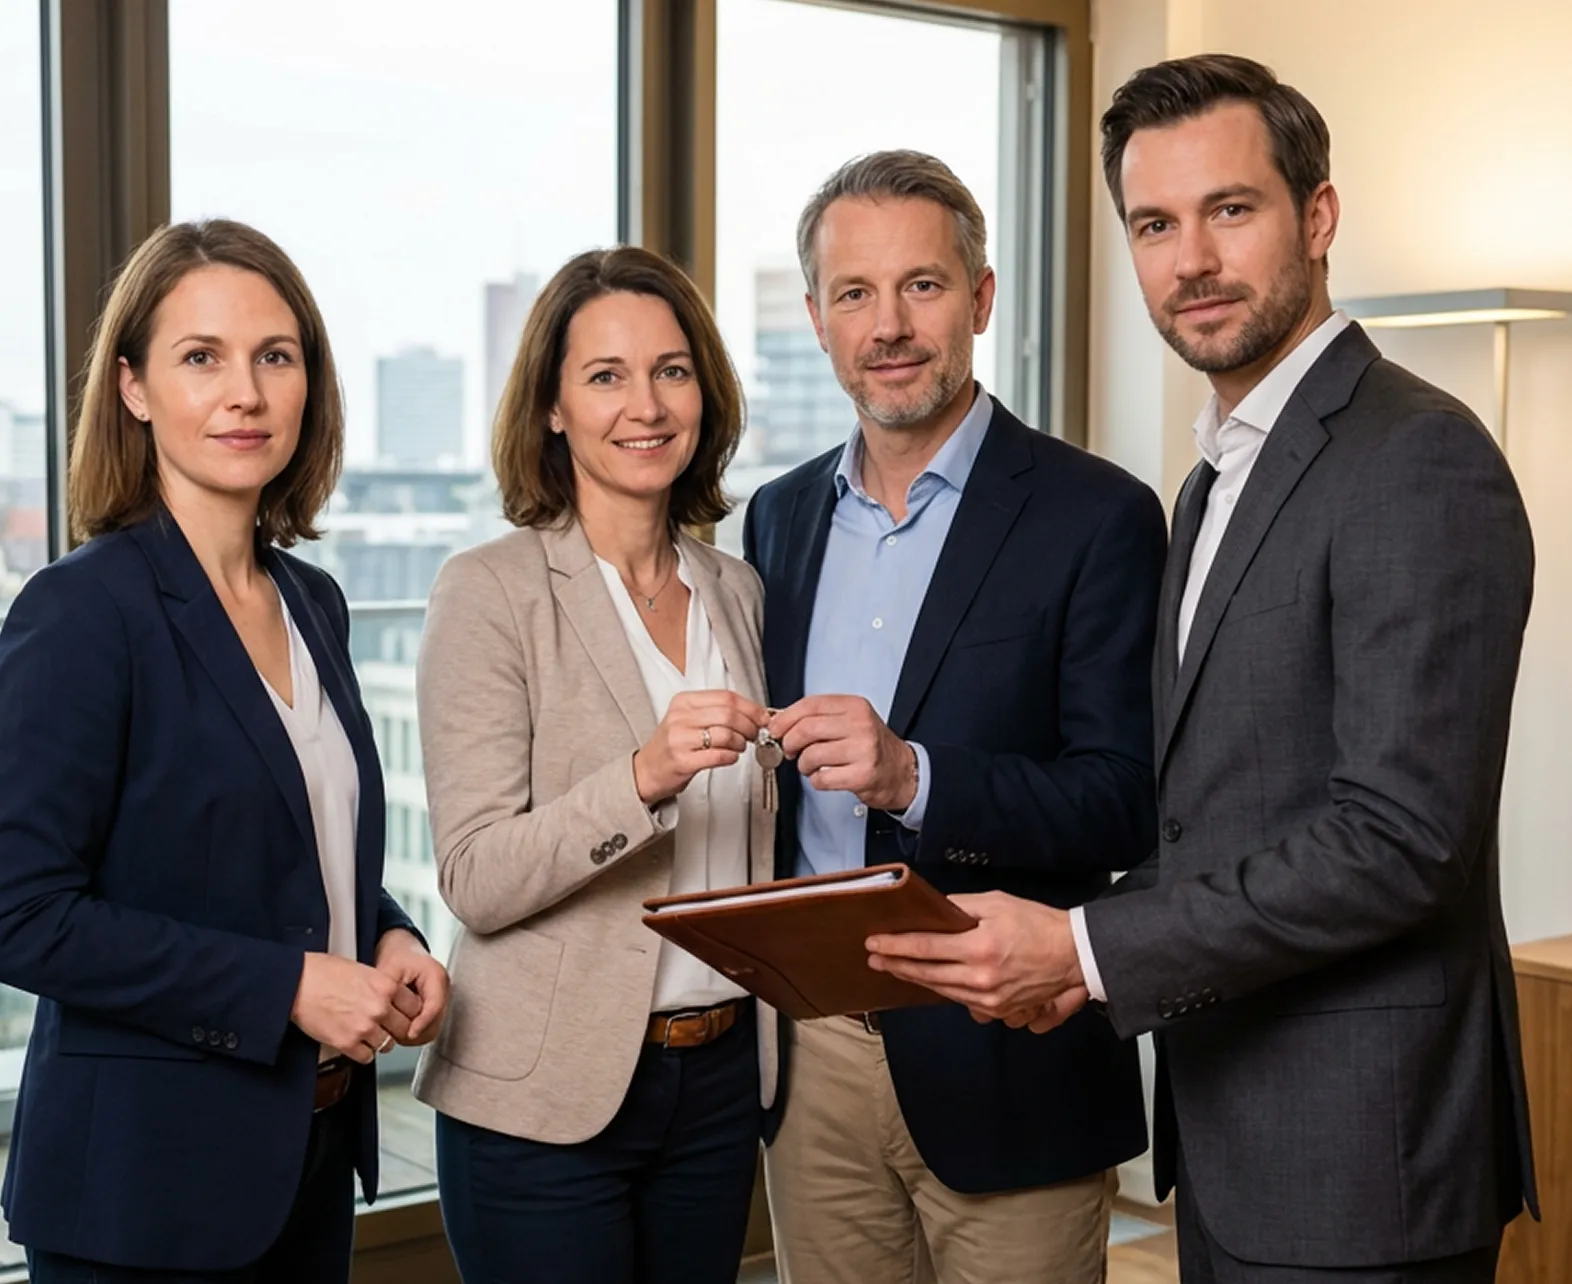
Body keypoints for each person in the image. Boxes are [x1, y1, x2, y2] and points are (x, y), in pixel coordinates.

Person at [868, 55, 1538, 1284]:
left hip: (1364, 1158)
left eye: (1230, 209)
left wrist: (1085, 949)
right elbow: (1217, 813)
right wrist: (1074, 951)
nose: (1192, 261)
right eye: (1154, 224)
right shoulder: (1218, 474)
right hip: (1236, 1132)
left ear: (1318, 216)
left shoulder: (1418, 457)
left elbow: (1401, 840)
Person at [742, 150, 1166, 1284]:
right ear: (817, 320)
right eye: (854, 293)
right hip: (815, 1064)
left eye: (921, 285)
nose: (888, 325)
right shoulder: (778, 520)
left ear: (980, 298)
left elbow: (1127, 801)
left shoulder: (1099, 516)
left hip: (1006, 1048)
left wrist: (914, 777)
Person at [0, 218, 450, 1283]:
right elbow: (19, 911)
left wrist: (386, 933)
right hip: (143, 1193)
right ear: (134, 388)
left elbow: (292, 841)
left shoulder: (312, 602)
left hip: (307, 1159)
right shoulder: (83, 611)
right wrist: (285, 986)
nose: (244, 393)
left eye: (274, 356)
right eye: (201, 357)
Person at [413, 245, 777, 1284]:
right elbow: (475, 879)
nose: (646, 405)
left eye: (671, 371)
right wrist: (643, 776)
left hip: (720, 1083)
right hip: (543, 1098)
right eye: (606, 375)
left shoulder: (737, 591)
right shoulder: (489, 592)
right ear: (553, 407)